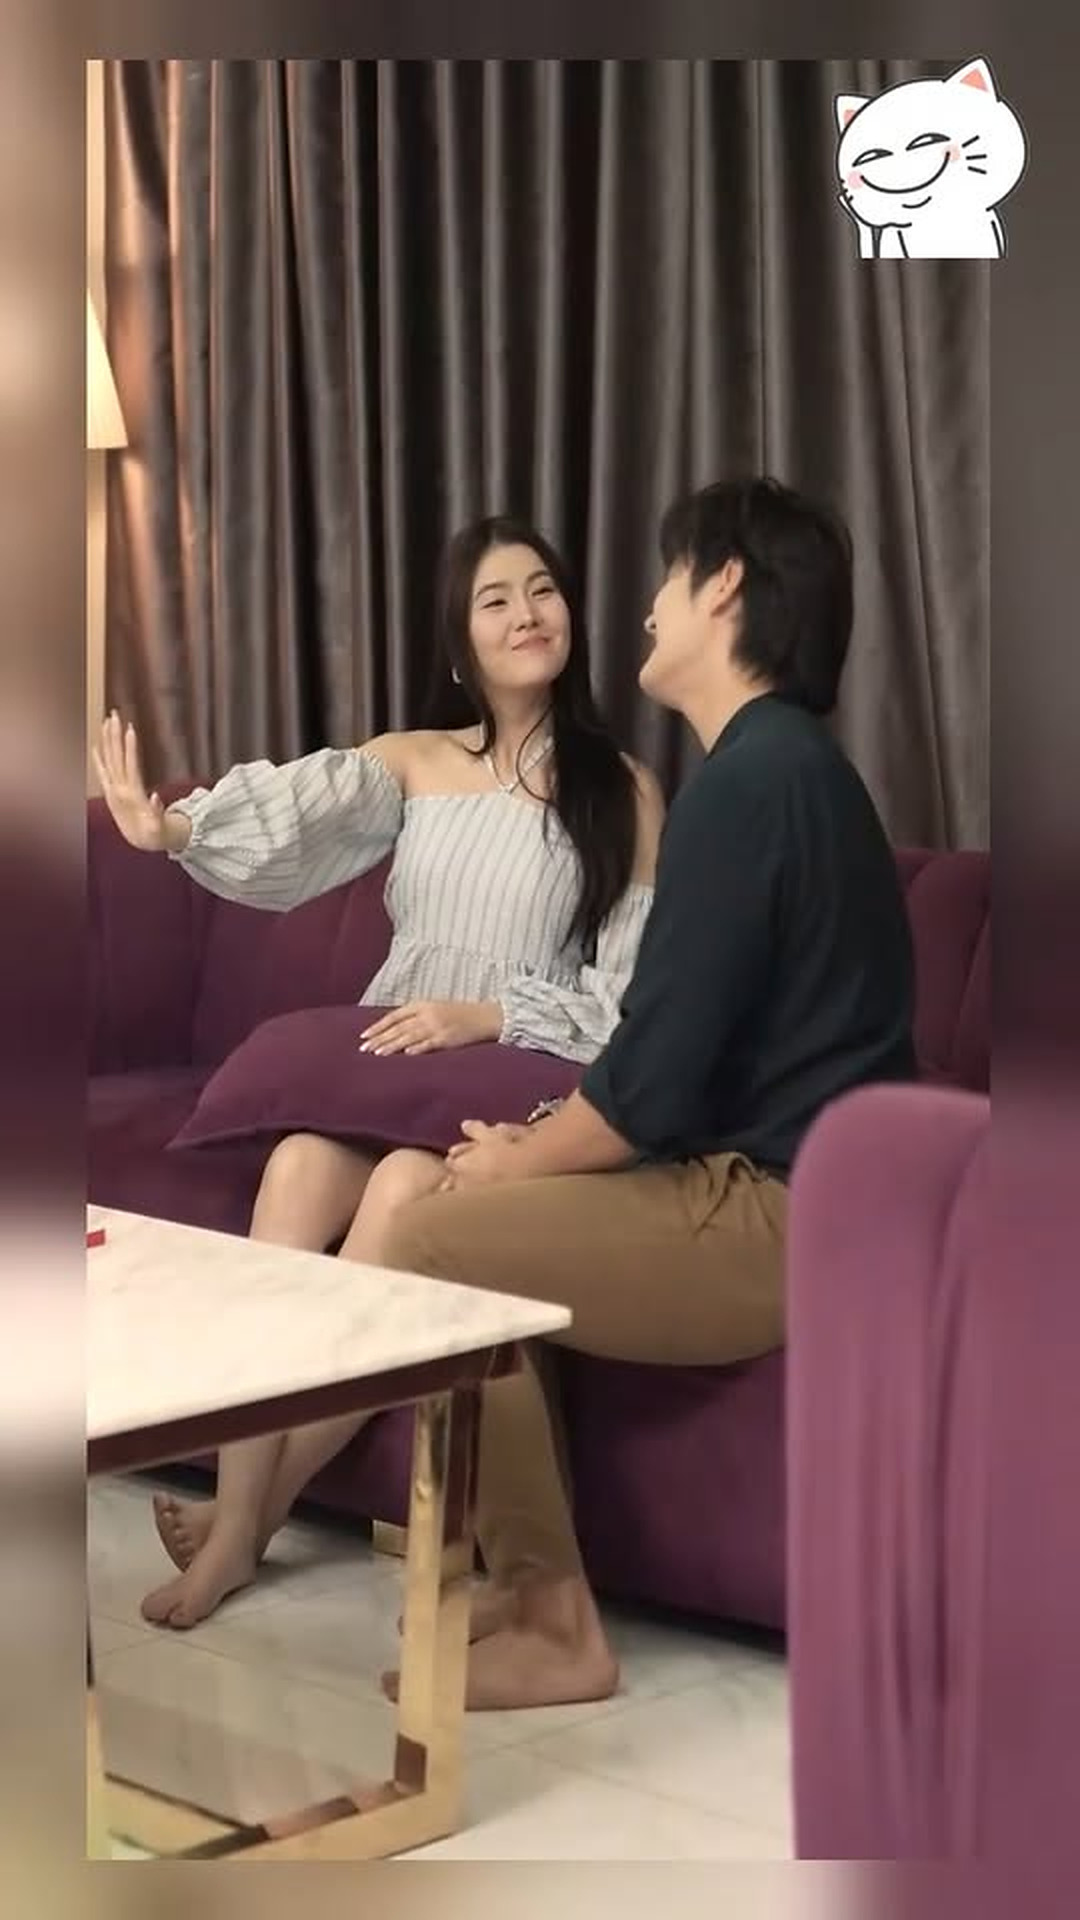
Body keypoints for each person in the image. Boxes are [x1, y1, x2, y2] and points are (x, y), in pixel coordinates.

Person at [366, 476, 918, 1712]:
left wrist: (517, 1159)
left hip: (784, 1215)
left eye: (671, 576)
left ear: (724, 587)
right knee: (480, 1205)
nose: (650, 605)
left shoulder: (748, 784)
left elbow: (647, 1088)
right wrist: (529, 1150)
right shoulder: (786, 770)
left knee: (438, 1234)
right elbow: (679, 1061)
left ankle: (555, 1620)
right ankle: (516, 1584)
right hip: (798, 1193)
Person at [92, 516, 665, 1629]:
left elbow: (626, 1004)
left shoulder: (624, 791)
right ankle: (243, 1511)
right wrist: (175, 833)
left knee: (403, 1192)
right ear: (460, 644)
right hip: (386, 1071)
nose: (527, 614)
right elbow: (293, 823)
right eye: (495, 599)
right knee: (298, 1169)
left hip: (510, 1085)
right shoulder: (412, 762)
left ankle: (243, 1528)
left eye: (542, 590)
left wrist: (486, 1014)